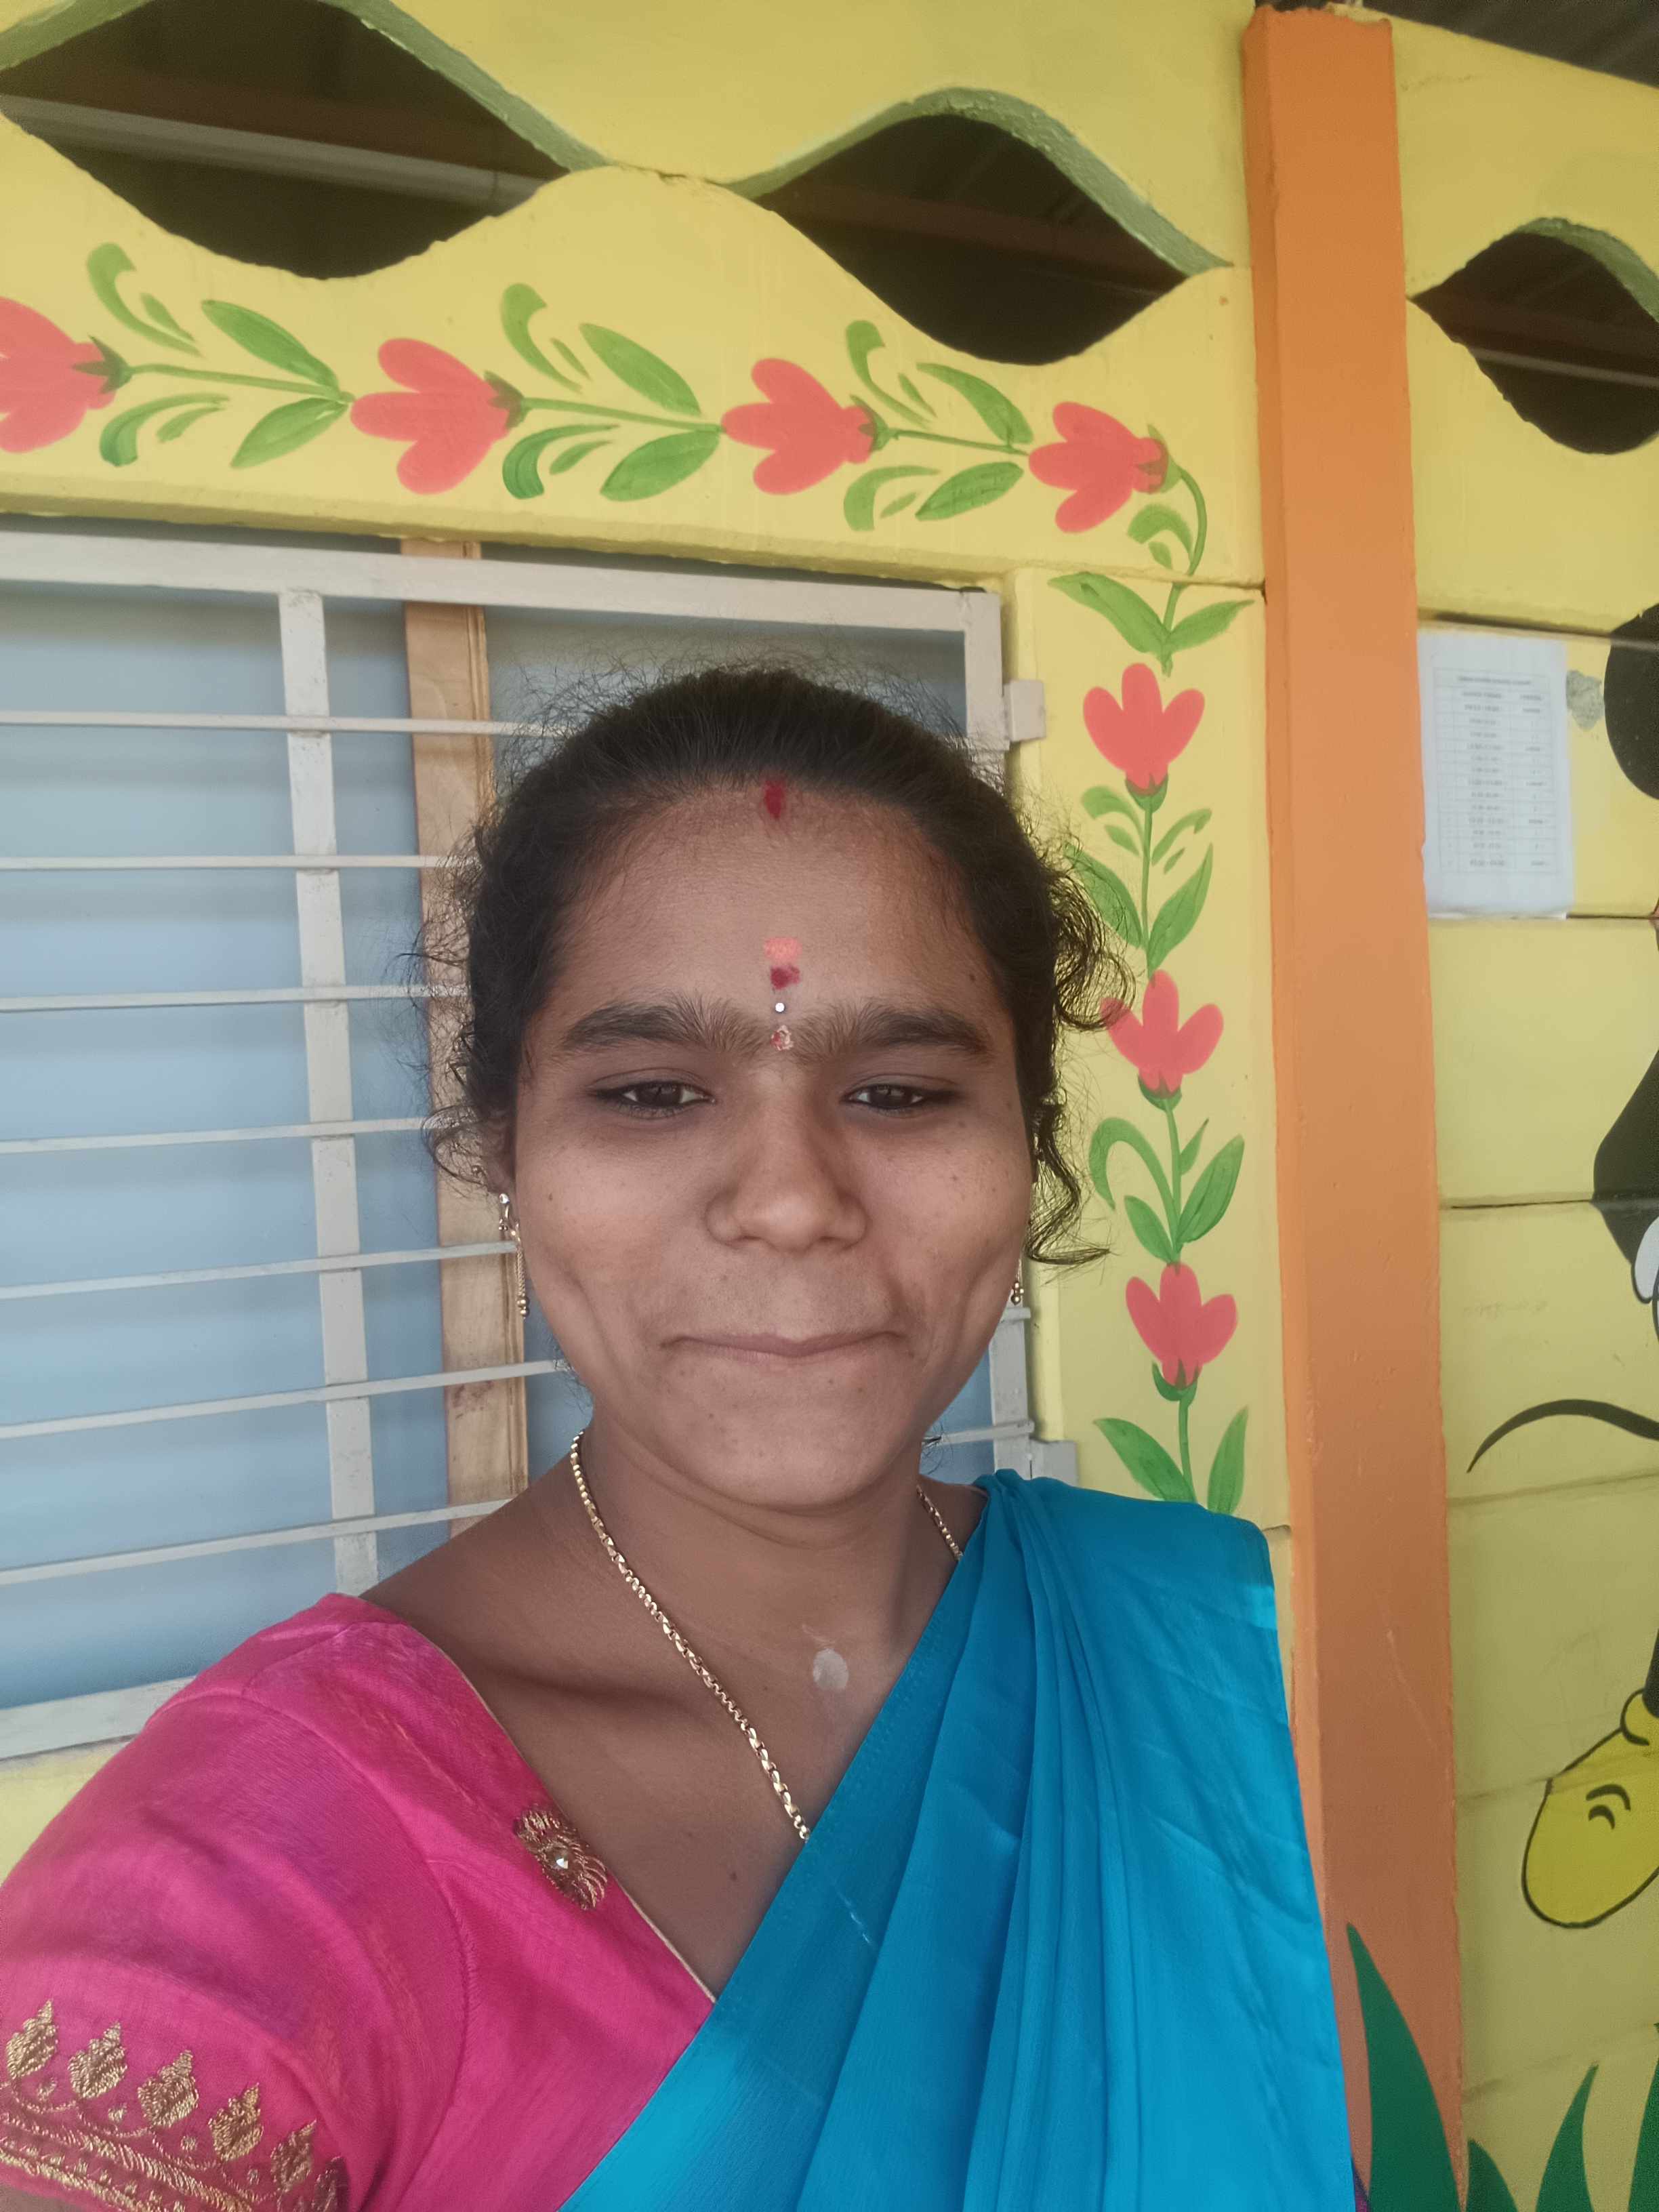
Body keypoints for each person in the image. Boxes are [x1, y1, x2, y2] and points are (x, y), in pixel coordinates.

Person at [0, 667, 1351, 2209]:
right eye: (650, 1092)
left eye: (901, 1092)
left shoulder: (1142, 1653)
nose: (788, 1199)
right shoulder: (264, 1872)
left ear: (1028, 1143)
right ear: (504, 1148)